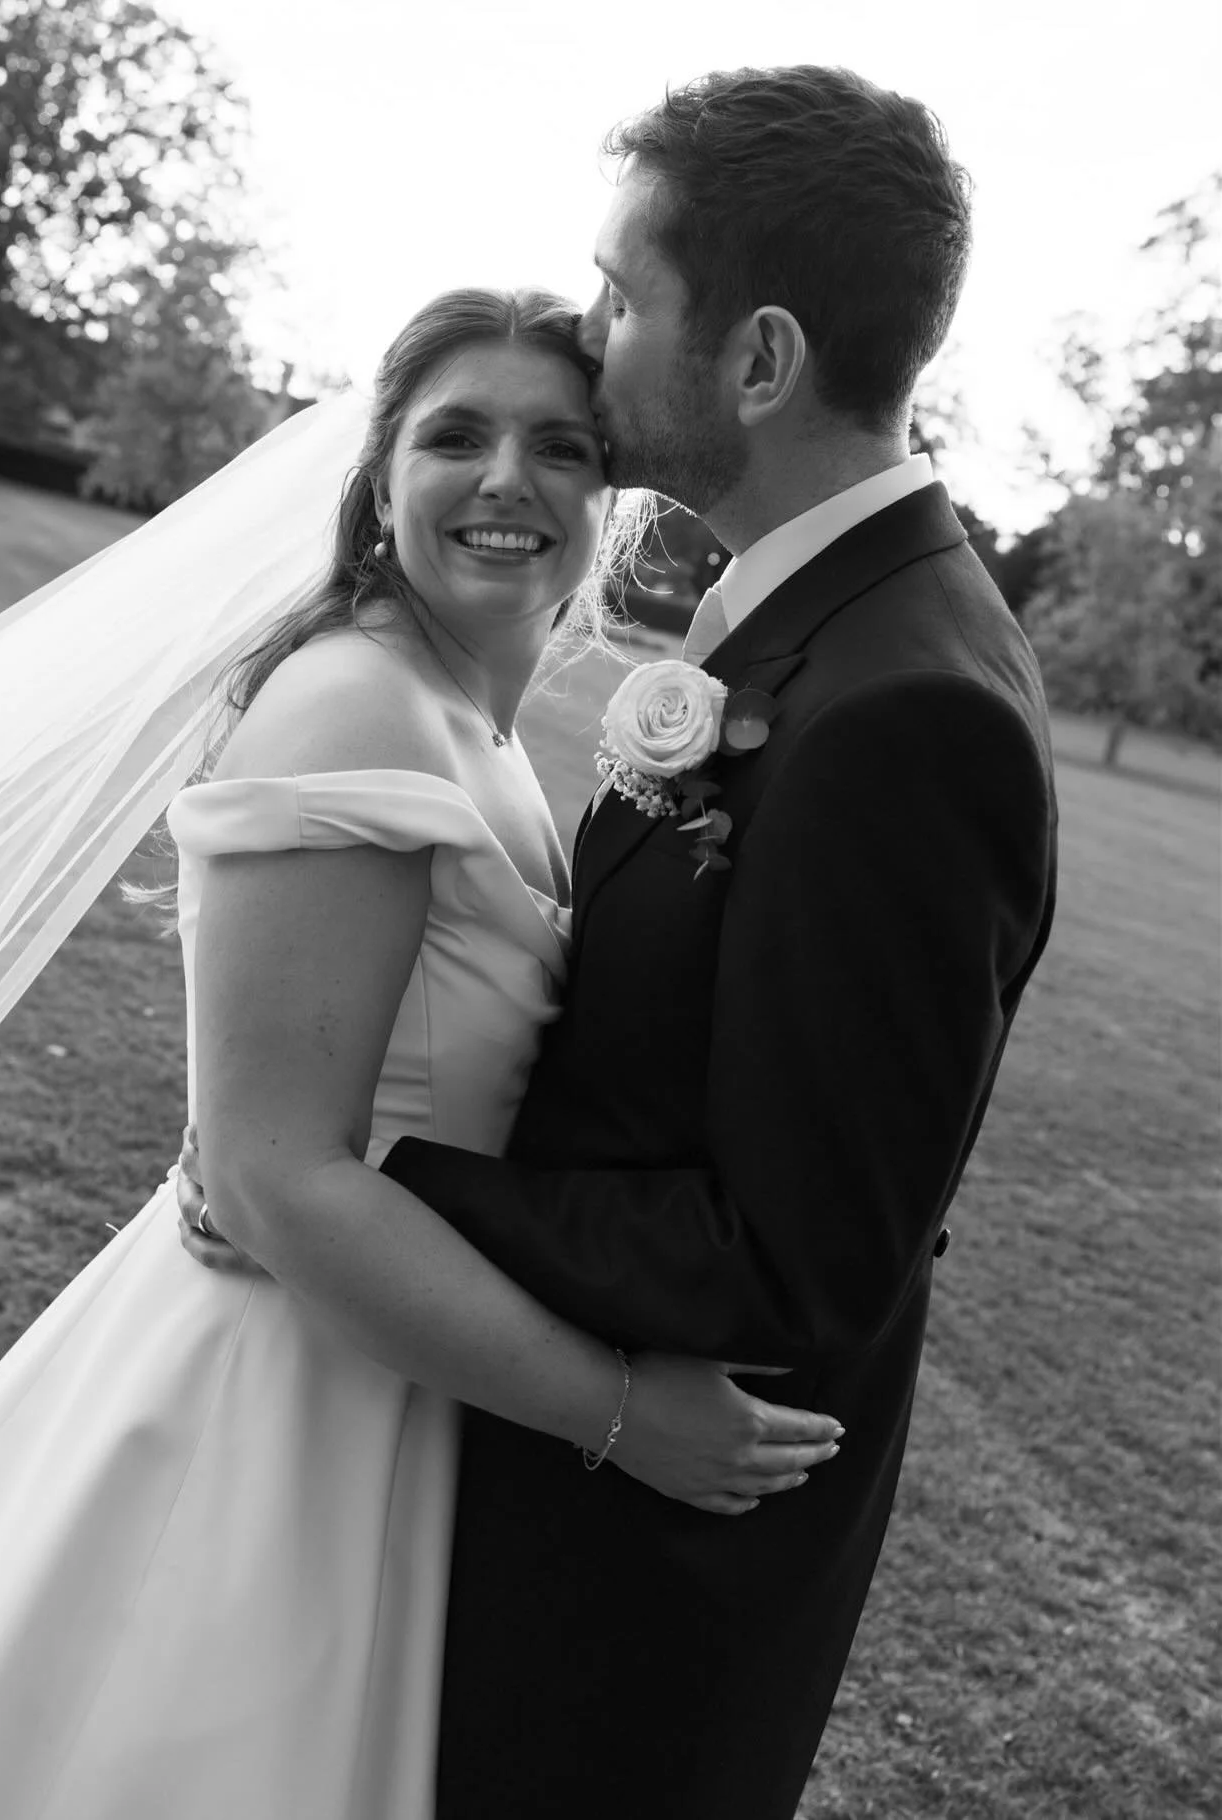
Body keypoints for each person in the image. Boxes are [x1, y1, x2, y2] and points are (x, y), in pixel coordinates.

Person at [180, 64, 1059, 1820]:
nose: (592, 340)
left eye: (619, 295)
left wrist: (354, 1181)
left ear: (759, 360)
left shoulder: (903, 706)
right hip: (507, 1473)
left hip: (644, 1590)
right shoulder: (807, 631)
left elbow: (793, 1255)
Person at [0, 289, 844, 1820]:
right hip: (273, 1394)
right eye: (457, 435)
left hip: (394, 1364)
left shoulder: (486, 725)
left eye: (560, 444)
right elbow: (272, 1179)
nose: (508, 477)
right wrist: (621, 1411)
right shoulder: (358, 700)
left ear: (612, 496)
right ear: (380, 477)